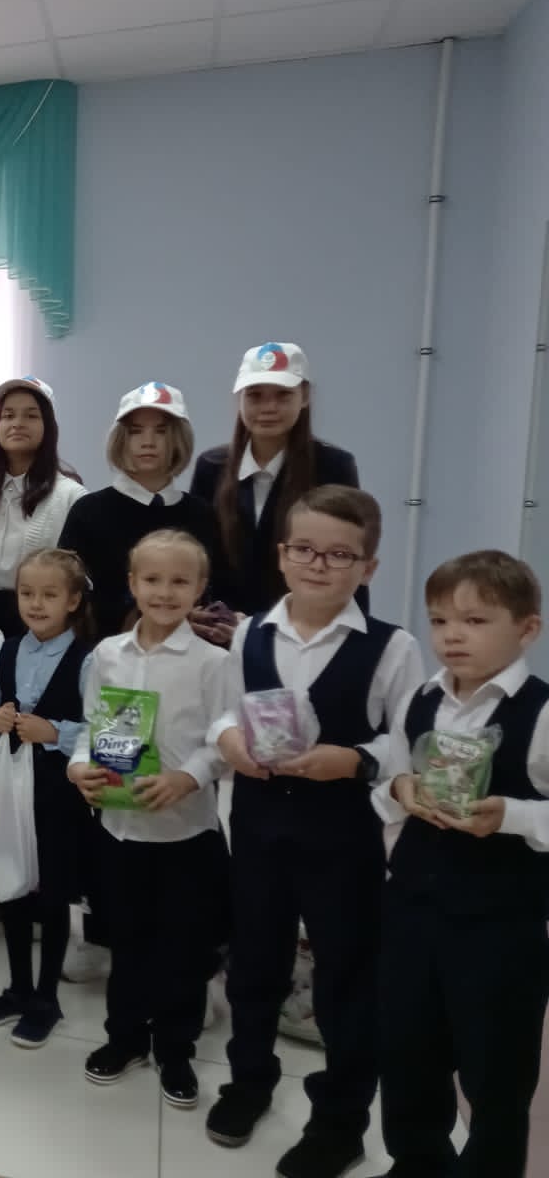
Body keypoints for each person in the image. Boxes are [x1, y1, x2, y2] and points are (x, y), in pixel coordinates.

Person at [206, 486, 423, 1178]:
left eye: (339, 554)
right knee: (255, 964)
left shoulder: (393, 648)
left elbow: (410, 744)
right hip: (259, 826)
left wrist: (355, 759)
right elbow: (225, 711)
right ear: (282, 555)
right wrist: (229, 740)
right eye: (304, 549)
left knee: (346, 978)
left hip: (344, 836)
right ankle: (248, 1081)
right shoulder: (252, 632)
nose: (318, 564)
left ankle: (340, 1120)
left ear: (368, 566)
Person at [373, 550, 549, 1178]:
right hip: (412, 909)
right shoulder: (420, 701)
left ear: (527, 628)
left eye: (475, 621)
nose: (452, 635)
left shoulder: (542, 713)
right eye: (440, 620)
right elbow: (389, 780)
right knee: (407, 1052)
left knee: (495, 1069)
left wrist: (512, 815)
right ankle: (416, 1161)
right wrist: (399, 790)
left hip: (499, 924)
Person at [67, 530, 230, 1111]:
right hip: (120, 830)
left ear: (200, 588)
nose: (165, 592)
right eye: (153, 579)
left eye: (180, 581)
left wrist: (188, 777)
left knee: (182, 947)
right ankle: (125, 1038)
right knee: (126, 940)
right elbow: (92, 726)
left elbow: (223, 741)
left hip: (187, 833)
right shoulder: (108, 655)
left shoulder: (214, 663)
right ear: (132, 583)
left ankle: (176, 1049)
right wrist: (79, 766)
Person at [0, 548, 94, 1047]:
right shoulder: (8, 650)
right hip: (11, 786)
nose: (36, 604)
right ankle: (18, 987)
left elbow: (100, 729)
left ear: (73, 600)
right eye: (26, 593)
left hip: (60, 792)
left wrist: (55, 732)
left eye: (49, 594)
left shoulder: (89, 658)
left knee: (54, 893)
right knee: (10, 883)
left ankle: (46, 998)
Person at [190, 343, 360, 621]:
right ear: (240, 399)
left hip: (303, 630)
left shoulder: (333, 467)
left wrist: (355, 633)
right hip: (220, 631)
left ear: (304, 396)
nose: (268, 408)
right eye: (255, 396)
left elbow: (347, 557)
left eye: (283, 395)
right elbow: (196, 556)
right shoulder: (211, 467)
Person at [59, 383, 223, 637]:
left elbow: (216, 591)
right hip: (106, 654)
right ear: (121, 439)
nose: (148, 442)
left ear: (178, 439)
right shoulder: (88, 512)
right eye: (136, 431)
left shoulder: (202, 514)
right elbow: (69, 599)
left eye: (161, 431)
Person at [0, 376, 87, 638]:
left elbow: (77, 578)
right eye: (8, 415)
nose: (17, 423)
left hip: (36, 622)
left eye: (30, 415)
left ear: (48, 426)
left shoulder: (70, 497)